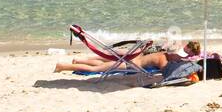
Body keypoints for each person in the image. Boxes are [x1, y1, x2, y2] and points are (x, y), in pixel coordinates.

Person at [56, 40, 201, 74]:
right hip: (130, 65)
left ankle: (79, 60)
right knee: (98, 68)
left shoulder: (162, 53)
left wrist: (181, 59)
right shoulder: (163, 60)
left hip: (133, 56)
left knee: (104, 59)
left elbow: (173, 56)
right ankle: (63, 66)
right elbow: (166, 72)